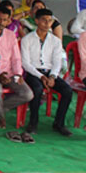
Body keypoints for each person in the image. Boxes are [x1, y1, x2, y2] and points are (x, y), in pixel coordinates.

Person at [21, 8, 73, 136]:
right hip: (33, 72)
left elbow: (57, 62)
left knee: (67, 90)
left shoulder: (55, 41)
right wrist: (41, 76)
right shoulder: (27, 39)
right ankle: (33, 122)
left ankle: (59, 123)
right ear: (36, 21)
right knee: (37, 89)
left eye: (50, 21)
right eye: (44, 20)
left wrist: (53, 76)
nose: (47, 23)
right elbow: (26, 64)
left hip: (50, 73)